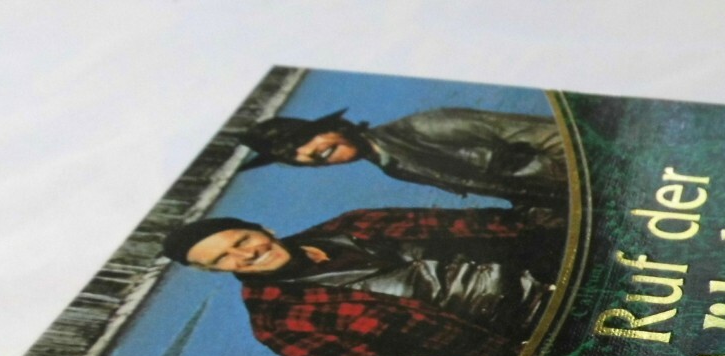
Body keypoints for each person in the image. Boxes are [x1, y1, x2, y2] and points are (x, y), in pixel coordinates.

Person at [159, 207, 567, 356]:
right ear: (215, 271)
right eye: (223, 258)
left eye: (243, 240)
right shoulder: (281, 322)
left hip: (566, 269)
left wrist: (563, 230)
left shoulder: (355, 224)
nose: (246, 254)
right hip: (545, 333)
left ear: (264, 229)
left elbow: (485, 224)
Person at [239, 108, 567, 206]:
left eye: (301, 140)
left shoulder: (427, 125)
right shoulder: (389, 165)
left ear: (333, 127)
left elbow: (557, 137)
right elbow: (503, 187)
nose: (307, 154)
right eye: (293, 157)